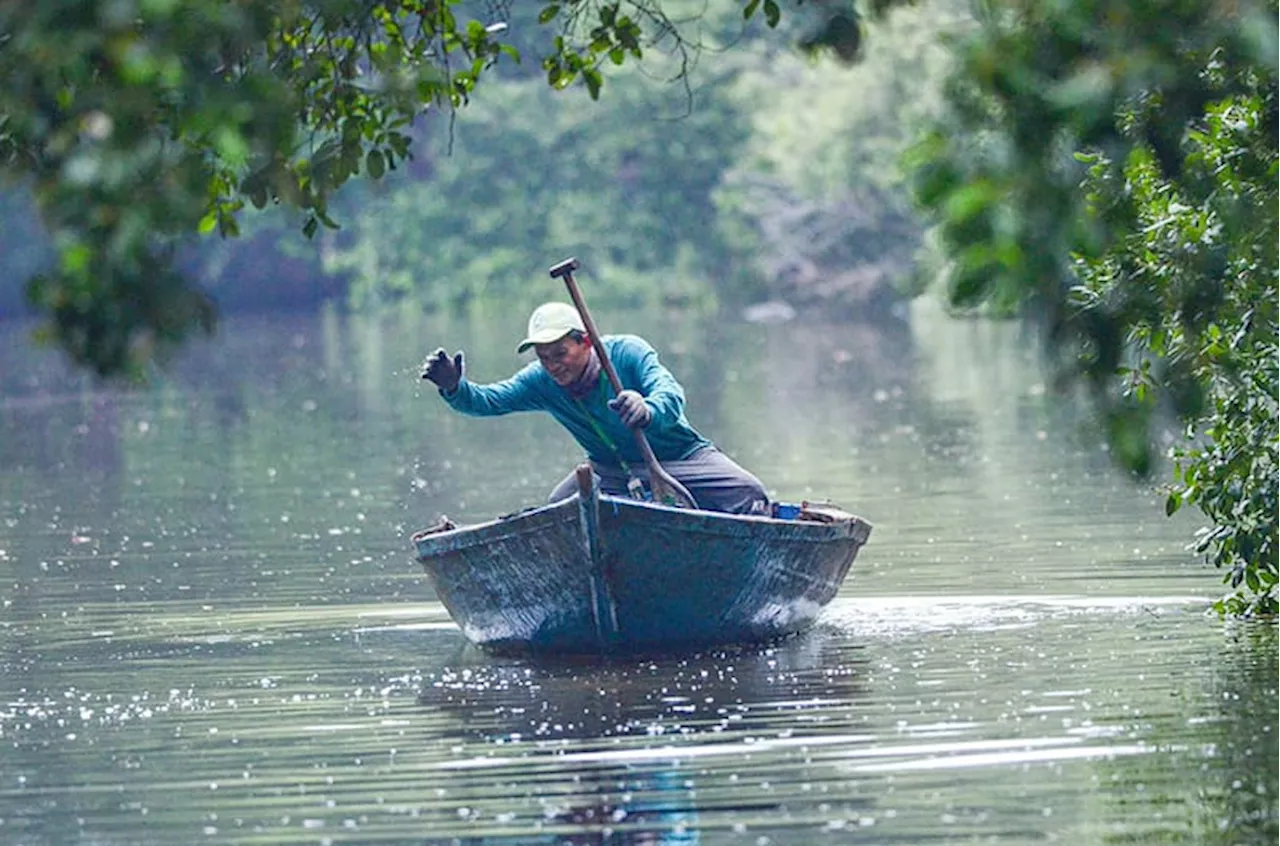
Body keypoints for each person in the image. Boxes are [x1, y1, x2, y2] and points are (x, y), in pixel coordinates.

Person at [420, 301, 769, 515]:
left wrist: (647, 409)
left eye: (561, 354)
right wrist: (454, 387)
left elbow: (670, 393)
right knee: (555, 515)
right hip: (608, 473)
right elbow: (488, 401)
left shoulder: (627, 353)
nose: (554, 366)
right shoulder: (540, 380)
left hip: (681, 460)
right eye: (544, 358)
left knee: (748, 492)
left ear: (585, 342)